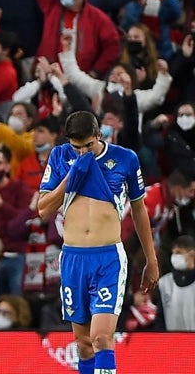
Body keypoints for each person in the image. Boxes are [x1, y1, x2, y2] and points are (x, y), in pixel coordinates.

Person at [38, 111, 158, 374]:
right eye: (76, 147)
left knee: (102, 338)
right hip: (73, 258)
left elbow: (139, 210)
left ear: (99, 135)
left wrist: (151, 259)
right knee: (82, 345)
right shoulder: (60, 156)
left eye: (88, 146)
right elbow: (43, 209)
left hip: (108, 259)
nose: (82, 153)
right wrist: (71, 177)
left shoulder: (125, 159)